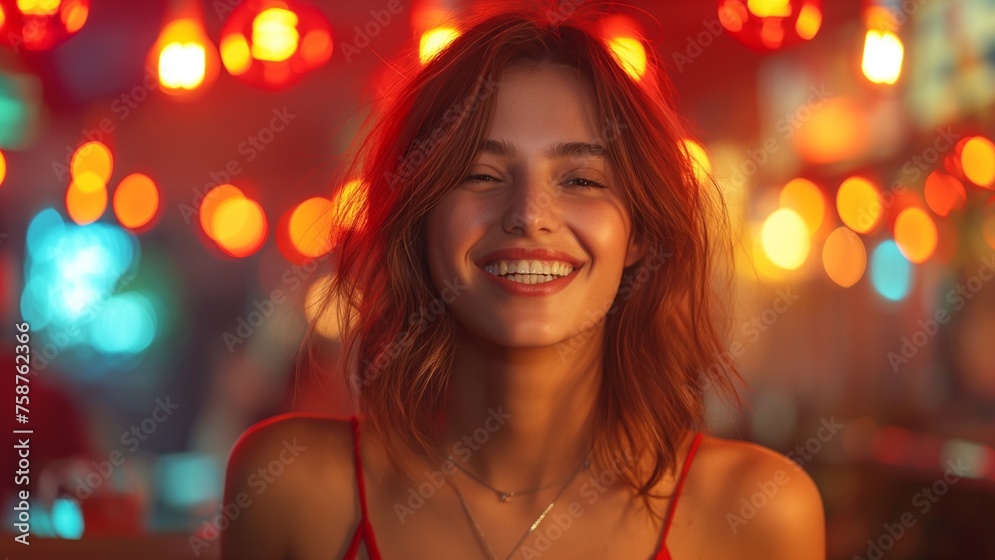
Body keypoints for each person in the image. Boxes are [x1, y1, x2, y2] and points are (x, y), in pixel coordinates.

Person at [221, 3, 826, 559]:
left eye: (582, 180)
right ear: (419, 220)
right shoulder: (290, 486)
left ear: (639, 233)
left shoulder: (759, 512)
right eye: (481, 175)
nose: (529, 213)